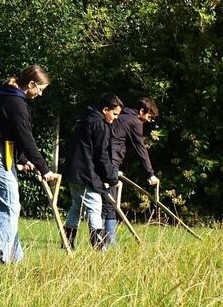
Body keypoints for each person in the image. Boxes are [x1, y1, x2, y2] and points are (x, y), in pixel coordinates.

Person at [0, 65, 60, 264]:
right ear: (31, 84)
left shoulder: (8, 98)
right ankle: (1, 258)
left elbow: (8, 133)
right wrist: (45, 169)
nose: (39, 94)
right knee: (9, 207)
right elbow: (25, 138)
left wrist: (23, 160)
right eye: (39, 89)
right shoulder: (16, 102)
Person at [61, 94, 123, 250]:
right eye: (114, 114)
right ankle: (99, 247)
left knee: (76, 207)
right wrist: (112, 177)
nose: (115, 118)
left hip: (72, 171)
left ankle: (67, 243)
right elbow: (101, 155)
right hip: (85, 174)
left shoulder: (84, 119)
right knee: (95, 207)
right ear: (105, 109)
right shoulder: (99, 125)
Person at [103, 96, 160, 247]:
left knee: (107, 199)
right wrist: (151, 174)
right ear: (141, 111)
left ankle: (105, 238)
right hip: (111, 161)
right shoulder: (135, 122)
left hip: (107, 160)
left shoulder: (122, 116)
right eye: (148, 116)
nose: (148, 120)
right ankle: (109, 240)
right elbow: (140, 149)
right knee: (111, 200)